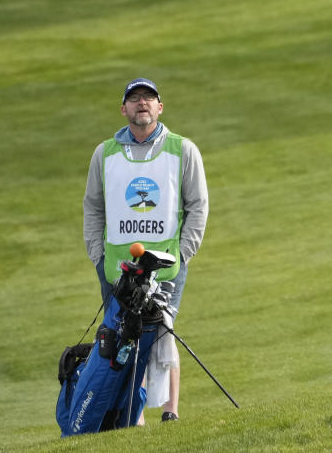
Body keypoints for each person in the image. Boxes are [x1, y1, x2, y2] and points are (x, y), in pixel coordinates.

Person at [83, 78, 209, 420]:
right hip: (116, 268)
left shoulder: (182, 149)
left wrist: (184, 253)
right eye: (135, 98)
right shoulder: (105, 153)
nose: (142, 103)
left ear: (160, 107)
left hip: (166, 264)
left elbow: (198, 206)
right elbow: (93, 208)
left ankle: (171, 412)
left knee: (162, 330)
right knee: (123, 336)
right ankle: (132, 415)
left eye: (149, 98)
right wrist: (97, 255)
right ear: (123, 109)